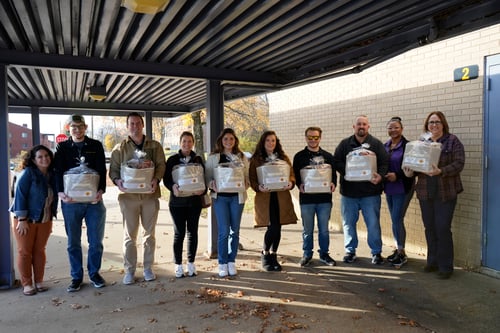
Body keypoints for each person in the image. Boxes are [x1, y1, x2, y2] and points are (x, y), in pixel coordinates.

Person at [403, 111, 464, 279]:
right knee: (429, 228)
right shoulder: (421, 143)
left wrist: (441, 171)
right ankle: (432, 262)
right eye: (431, 122)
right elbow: (415, 166)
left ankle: (446, 267)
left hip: (446, 192)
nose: (434, 125)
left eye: (437, 122)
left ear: (443, 123)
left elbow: (459, 163)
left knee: (443, 228)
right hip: (425, 192)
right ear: (427, 125)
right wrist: (409, 172)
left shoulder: (452, 141)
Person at [109, 112, 166, 285]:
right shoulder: (120, 148)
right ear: (128, 126)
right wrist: (118, 181)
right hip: (129, 198)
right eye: (131, 124)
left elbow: (161, 165)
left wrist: (156, 179)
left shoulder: (154, 146)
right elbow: (114, 170)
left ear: (142, 125)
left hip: (150, 196)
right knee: (129, 236)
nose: (135, 126)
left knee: (149, 235)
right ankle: (130, 270)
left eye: (137, 123)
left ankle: (148, 268)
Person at [54, 114, 107, 292]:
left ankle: (94, 274)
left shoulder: (95, 145)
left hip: (93, 202)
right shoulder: (62, 147)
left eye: (80, 126)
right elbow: (58, 170)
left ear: (85, 127)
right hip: (71, 202)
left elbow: (101, 169)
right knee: (73, 243)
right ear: (69, 128)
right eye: (73, 127)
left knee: (96, 242)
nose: (77, 130)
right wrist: (60, 192)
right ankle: (76, 277)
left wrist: (100, 191)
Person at [334, 115, 389, 265]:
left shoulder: (376, 144)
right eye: (359, 124)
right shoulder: (345, 144)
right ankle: (350, 251)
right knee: (348, 224)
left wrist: (381, 176)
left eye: (364, 124)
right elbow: (336, 161)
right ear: (354, 127)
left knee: (373, 224)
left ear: (368, 126)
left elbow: (385, 163)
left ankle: (376, 252)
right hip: (349, 193)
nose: (361, 127)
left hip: (370, 193)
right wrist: (348, 171)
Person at [10, 145, 57, 296]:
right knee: (25, 252)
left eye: (47, 155)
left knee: (39, 251)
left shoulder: (52, 174)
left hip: (45, 219)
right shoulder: (28, 173)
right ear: (33, 160)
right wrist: (22, 219)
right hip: (25, 220)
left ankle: (39, 281)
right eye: (40, 157)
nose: (45, 159)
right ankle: (27, 284)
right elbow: (20, 196)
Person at [249, 130, 298, 271]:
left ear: (277, 143)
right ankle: (265, 253)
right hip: (266, 198)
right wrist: (258, 187)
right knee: (272, 226)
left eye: (273, 141)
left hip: (281, 197)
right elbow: (252, 179)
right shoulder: (256, 159)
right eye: (268, 141)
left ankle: (273, 255)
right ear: (263, 143)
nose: (271, 143)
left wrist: (291, 182)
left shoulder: (283, 158)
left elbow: (292, 174)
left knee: (279, 226)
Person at [205, 128, 249, 277]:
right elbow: (207, 177)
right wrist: (211, 184)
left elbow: (247, 176)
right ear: (221, 141)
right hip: (221, 198)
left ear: (235, 140)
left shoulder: (241, 157)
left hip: (237, 197)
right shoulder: (213, 158)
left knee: (234, 231)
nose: (229, 141)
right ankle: (222, 262)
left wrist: (245, 183)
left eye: (231, 139)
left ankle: (232, 260)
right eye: (226, 139)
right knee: (224, 231)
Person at [164, 131, 206, 278]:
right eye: (184, 141)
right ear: (180, 143)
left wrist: (202, 190)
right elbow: (166, 179)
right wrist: (172, 187)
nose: (187, 144)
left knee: (192, 233)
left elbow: (203, 180)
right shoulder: (172, 160)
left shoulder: (199, 159)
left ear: (193, 143)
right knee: (179, 233)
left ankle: (191, 263)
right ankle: (178, 265)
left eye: (189, 141)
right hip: (177, 203)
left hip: (194, 203)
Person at [293, 127, 337, 267]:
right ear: (305, 138)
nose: (313, 140)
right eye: (310, 137)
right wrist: (299, 185)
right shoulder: (299, 156)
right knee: (307, 230)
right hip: (306, 200)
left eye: (316, 137)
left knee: (324, 229)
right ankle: (307, 254)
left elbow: (334, 175)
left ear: (320, 138)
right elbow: (295, 175)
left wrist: (333, 184)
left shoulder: (328, 156)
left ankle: (324, 254)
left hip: (324, 200)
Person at [383, 117, 415, 268]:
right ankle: (398, 249)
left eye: (396, 127)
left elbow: (412, 168)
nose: (393, 130)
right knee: (394, 219)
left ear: (402, 129)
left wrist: (397, 175)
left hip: (403, 187)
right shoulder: (385, 146)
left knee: (397, 218)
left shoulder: (408, 146)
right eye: (390, 128)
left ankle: (401, 252)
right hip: (389, 187)